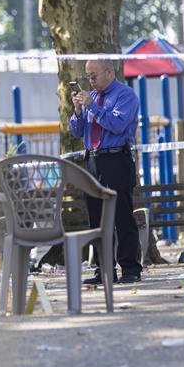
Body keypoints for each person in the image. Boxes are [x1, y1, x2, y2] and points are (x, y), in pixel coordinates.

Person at [69, 58, 143, 284]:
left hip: (116, 158)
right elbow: (77, 132)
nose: (90, 81)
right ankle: (103, 269)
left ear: (110, 72)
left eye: (94, 75)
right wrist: (79, 110)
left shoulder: (125, 95)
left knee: (122, 215)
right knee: (97, 219)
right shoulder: (92, 100)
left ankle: (130, 269)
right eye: (88, 77)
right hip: (93, 161)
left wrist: (92, 105)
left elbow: (116, 124)